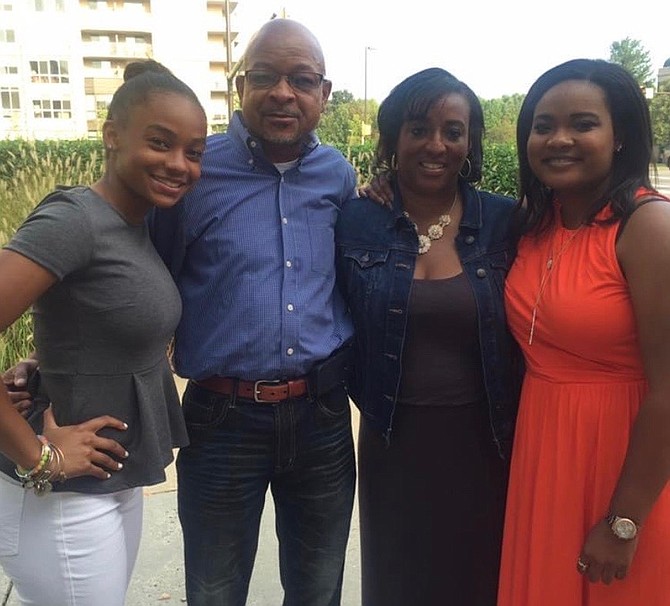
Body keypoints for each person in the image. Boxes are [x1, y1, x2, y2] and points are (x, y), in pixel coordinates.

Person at [148, 19, 358, 606]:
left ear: (324, 92)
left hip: (321, 416)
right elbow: (140, 278)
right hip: (220, 420)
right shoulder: (193, 173)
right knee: (214, 591)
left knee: (318, 589)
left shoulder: (339, 176)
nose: (282, 93)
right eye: (264, 76)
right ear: (240, 87)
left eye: (302, 79)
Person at [0, 59, 206, 606]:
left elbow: (92, 324)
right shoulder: (76, 220)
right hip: (60, 493)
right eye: (160, 143)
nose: (179, 164)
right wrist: (38, 454)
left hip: (111, 478)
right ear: (112, 136)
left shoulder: (133, 224)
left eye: (194, 151)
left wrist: (45, 364)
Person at [335, 67, 522, 605]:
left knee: (480, 577)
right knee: (398, 579)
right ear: (394, 137)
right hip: (392, 438)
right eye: (419, 129)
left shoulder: (505, 222)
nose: (436, 144)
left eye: (453, 131)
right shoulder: (355, 221)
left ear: (471, 142)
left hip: (485, 439)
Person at [498, 58, 670, 606]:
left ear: (620, 137)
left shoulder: (647, 227)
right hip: (544, 455)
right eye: (543, 125)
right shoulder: (536, 222)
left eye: (583, 124)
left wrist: (625, 521)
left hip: (625, 466)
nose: (559, 139)